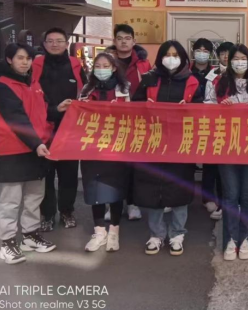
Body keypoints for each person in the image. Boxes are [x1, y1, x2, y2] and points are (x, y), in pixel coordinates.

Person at [132, 41, 202, 256]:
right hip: (153, 142)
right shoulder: (149, 78)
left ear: (183, 58)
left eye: (175, 55)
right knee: (153, 189)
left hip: (181, 143)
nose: (171, 58)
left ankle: (178, 233)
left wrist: (189, 110)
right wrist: (146, 108)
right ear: (160, 57)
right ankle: (156, 234)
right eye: (167, 54)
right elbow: (134, 106)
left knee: (179, 188)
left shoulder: (192, 81)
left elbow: (203, 111)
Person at [0, 44, 59, 265]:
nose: (25, 62)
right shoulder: (2, 86)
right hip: (14, 150)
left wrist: (58, 109)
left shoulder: (34, 84)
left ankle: (30, 235)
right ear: (9, 59)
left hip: (38, 149)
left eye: (28, 59)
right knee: (10, 200)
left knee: (34, 196)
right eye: (20, 58)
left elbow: (42, 112)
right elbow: (16, 118)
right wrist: (36, 143)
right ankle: (7, 242)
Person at [209, 44, 248, 261]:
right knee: (230, 194)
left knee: (247, 195)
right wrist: (220, 108)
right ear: (229, 61)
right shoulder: (219, 83)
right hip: (226, 146)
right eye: (235, 58)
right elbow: (205, 109)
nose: (239, 62)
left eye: (243, 58)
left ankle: (246, 239)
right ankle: (230, 240)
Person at [32, 28, 85, 232]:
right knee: (45, 174)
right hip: (43, 128)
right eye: (50, 41)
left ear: (66, 43)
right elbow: (29, 98)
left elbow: (86, 93)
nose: (55, 44)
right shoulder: (36, 65)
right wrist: (53, 110)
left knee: (68, 175)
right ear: (44, 44)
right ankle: (47, 215)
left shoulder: (75, 65)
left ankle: (66, 211)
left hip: (70, 130)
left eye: (59, 41)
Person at [80, 53, 132, 253]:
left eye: (105, 66)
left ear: (113, 68)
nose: (101, 69)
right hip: (92, 146)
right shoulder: (87, 89)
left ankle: (114, 231)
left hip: (116, 146)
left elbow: (132, 117)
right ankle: (99, 231)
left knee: (114, 188)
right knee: (94, 189)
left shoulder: (124, 89)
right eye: (98, 66)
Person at [108, 24, 151, 222]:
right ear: (114, 41)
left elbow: (150, 90)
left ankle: (133, 203)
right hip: (112, 122)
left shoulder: (143, 64)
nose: (123, 42)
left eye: (127, 38)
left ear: (134, 41)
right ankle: (112, 203)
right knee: (113, 165)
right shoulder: (105, 62)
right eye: (120, 38)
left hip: (137, 121)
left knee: (135, 165)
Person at [202, 41, 235, 222]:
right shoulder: (212, 76)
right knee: (213, 165)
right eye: (222, 53)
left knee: (230, 167)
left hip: (236, 127)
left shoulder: (243, 74)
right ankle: (212, 200)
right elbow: (208, 101)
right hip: (217, 126)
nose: (226, 57)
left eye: (229, 54)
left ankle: (230, 203)